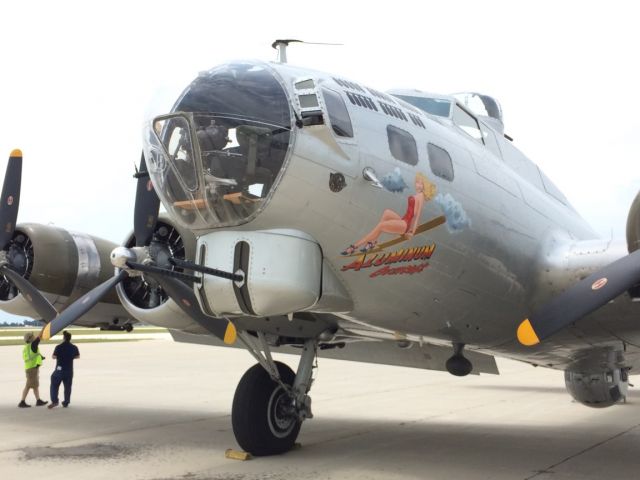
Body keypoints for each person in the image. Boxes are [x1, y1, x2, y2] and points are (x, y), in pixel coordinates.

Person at [342, 172, 437, 255]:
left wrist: (412, 232)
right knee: (387, 212)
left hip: (405, 225)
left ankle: (355, 246)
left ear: (425, 185)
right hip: (404, 220)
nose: (418, 185)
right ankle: (372, 242)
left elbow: (417, 216)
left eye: (421, 183)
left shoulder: (421, 196)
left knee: (381, 226)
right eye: (417, 182)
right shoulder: (417, 195)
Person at [48, 331, 80, 409]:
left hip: (59, 370)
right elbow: (77, 356)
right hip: (69, 370)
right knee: (68, 387)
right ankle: (66, 402)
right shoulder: (74, 347)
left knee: (54, 384)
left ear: (64, 338)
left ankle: (55, 401)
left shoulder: (58, 347)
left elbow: (53, 357)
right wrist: (70, 357)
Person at [19, 332, 48, 408]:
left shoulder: (27, 347)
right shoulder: (33, 345)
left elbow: (33, 355)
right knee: (28, 386)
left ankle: (38, 400)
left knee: (35, 385)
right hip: (32, 369)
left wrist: (41, 357)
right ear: (30, 338)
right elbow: (39, 338)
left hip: (30, 368)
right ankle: (22, 402)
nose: (34, 336)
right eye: (33, 335)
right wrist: (44, 329)